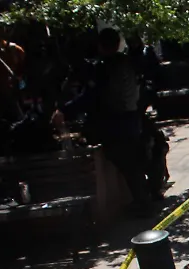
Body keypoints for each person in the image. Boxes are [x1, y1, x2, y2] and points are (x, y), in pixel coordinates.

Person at [53, 28, 152, 215]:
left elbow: (91, 96)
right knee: (132, 163)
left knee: (127, 163)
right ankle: (142, 201)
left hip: (117, 122)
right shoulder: (126, 61)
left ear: (100, 46)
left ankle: (142, 204)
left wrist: (65, 110)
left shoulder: (104, 67)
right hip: (131, 118)